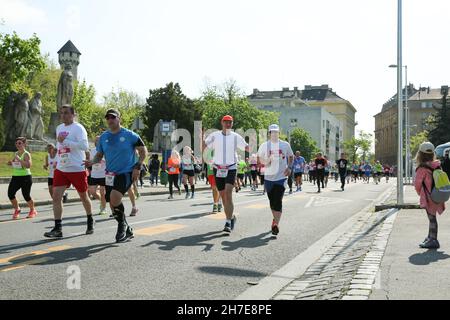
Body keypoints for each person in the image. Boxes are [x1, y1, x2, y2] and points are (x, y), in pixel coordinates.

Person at [86, 109, 147, 243]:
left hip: (126, 172)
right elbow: (99, 154)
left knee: (114, 197)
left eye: (113, 117)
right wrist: (92, 162)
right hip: (110, 174)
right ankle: (127, 228)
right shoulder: (103, 137)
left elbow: (143, 151)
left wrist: (138, 166)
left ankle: (121, 226)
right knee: (113, 205)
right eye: (108, 117)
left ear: (119, 118)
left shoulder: (130, 135)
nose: (110, 120)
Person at [44, 105, 93, 238]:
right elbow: (60, 146)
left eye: (66, 113)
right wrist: (57, 159)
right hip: (61, 168)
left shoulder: (78, 128)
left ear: (73, 114)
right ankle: (58, 228)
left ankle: (90, 220)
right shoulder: (59, 128)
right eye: (61, 113)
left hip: (76, 168)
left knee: (83, 196)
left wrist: (66, 141)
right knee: (56, 196)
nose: (63, 115)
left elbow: (84, 146)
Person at [204, 115, 249, 233]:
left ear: (232, 124)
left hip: (231, 168)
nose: (228, 124)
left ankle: (228, 222)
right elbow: (205, 146)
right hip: (217, 168)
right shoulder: (214, 135)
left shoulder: (235, 137)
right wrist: (202, 139)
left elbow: (247, 147)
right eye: (226, 122)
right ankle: (231, 217)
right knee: (223, 196)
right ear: (222, 123)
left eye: (230, 122)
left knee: (228, 194)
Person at [257, 124, 294, 236]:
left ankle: (275, 224)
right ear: (269, 133)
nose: (274, 134)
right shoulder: (264, 145)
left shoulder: (285, 144)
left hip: (281, 177)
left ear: (279, 133)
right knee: (272, 201)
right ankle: (275, 220)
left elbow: (291, 156)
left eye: (276, 132)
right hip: (268, 178)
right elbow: (259, 160)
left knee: (278, 200)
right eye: (272, 132)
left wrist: (289, 167)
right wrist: (266, 160)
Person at [414, 142, 446, 249]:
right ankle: (429, 237)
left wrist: (420, 193)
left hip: (428, 197)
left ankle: (433, 240)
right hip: (437, 194)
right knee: (432, 217)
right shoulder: (437, 165)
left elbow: (417, 184)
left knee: (432, 218)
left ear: (420, 154)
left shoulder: (422, 168)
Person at [7, 137, 37, 220]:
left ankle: (32, 210)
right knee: (10, 194)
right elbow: (14, 163)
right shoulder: (16, 153)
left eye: (19, 143)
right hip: (15, 177)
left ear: (24, 144)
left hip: (25, 177)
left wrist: (20, 160)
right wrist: (11, 163)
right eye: (16, 143)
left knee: (26, 195)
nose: (17, 145)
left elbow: (28, 165)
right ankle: (17, 209)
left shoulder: (26, 154)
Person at [87, 136, 107, 215]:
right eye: (96, 140)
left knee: (102, 192)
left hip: (103, 174)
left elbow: (108, 160)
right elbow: (91, 161)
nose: (97, 142)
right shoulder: (92, 151)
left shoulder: (105, 150)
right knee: (92, 192)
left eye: (98, 140)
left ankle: (103, 208)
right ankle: (102, 201)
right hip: (94, 174)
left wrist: (101, 160)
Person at [204, 147, 222, 213]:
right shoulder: (208, 150)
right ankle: (219, 201)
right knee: (214, 189)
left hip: (218, 171)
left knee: (215, 188)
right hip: (210, 172)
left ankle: (215, 204)